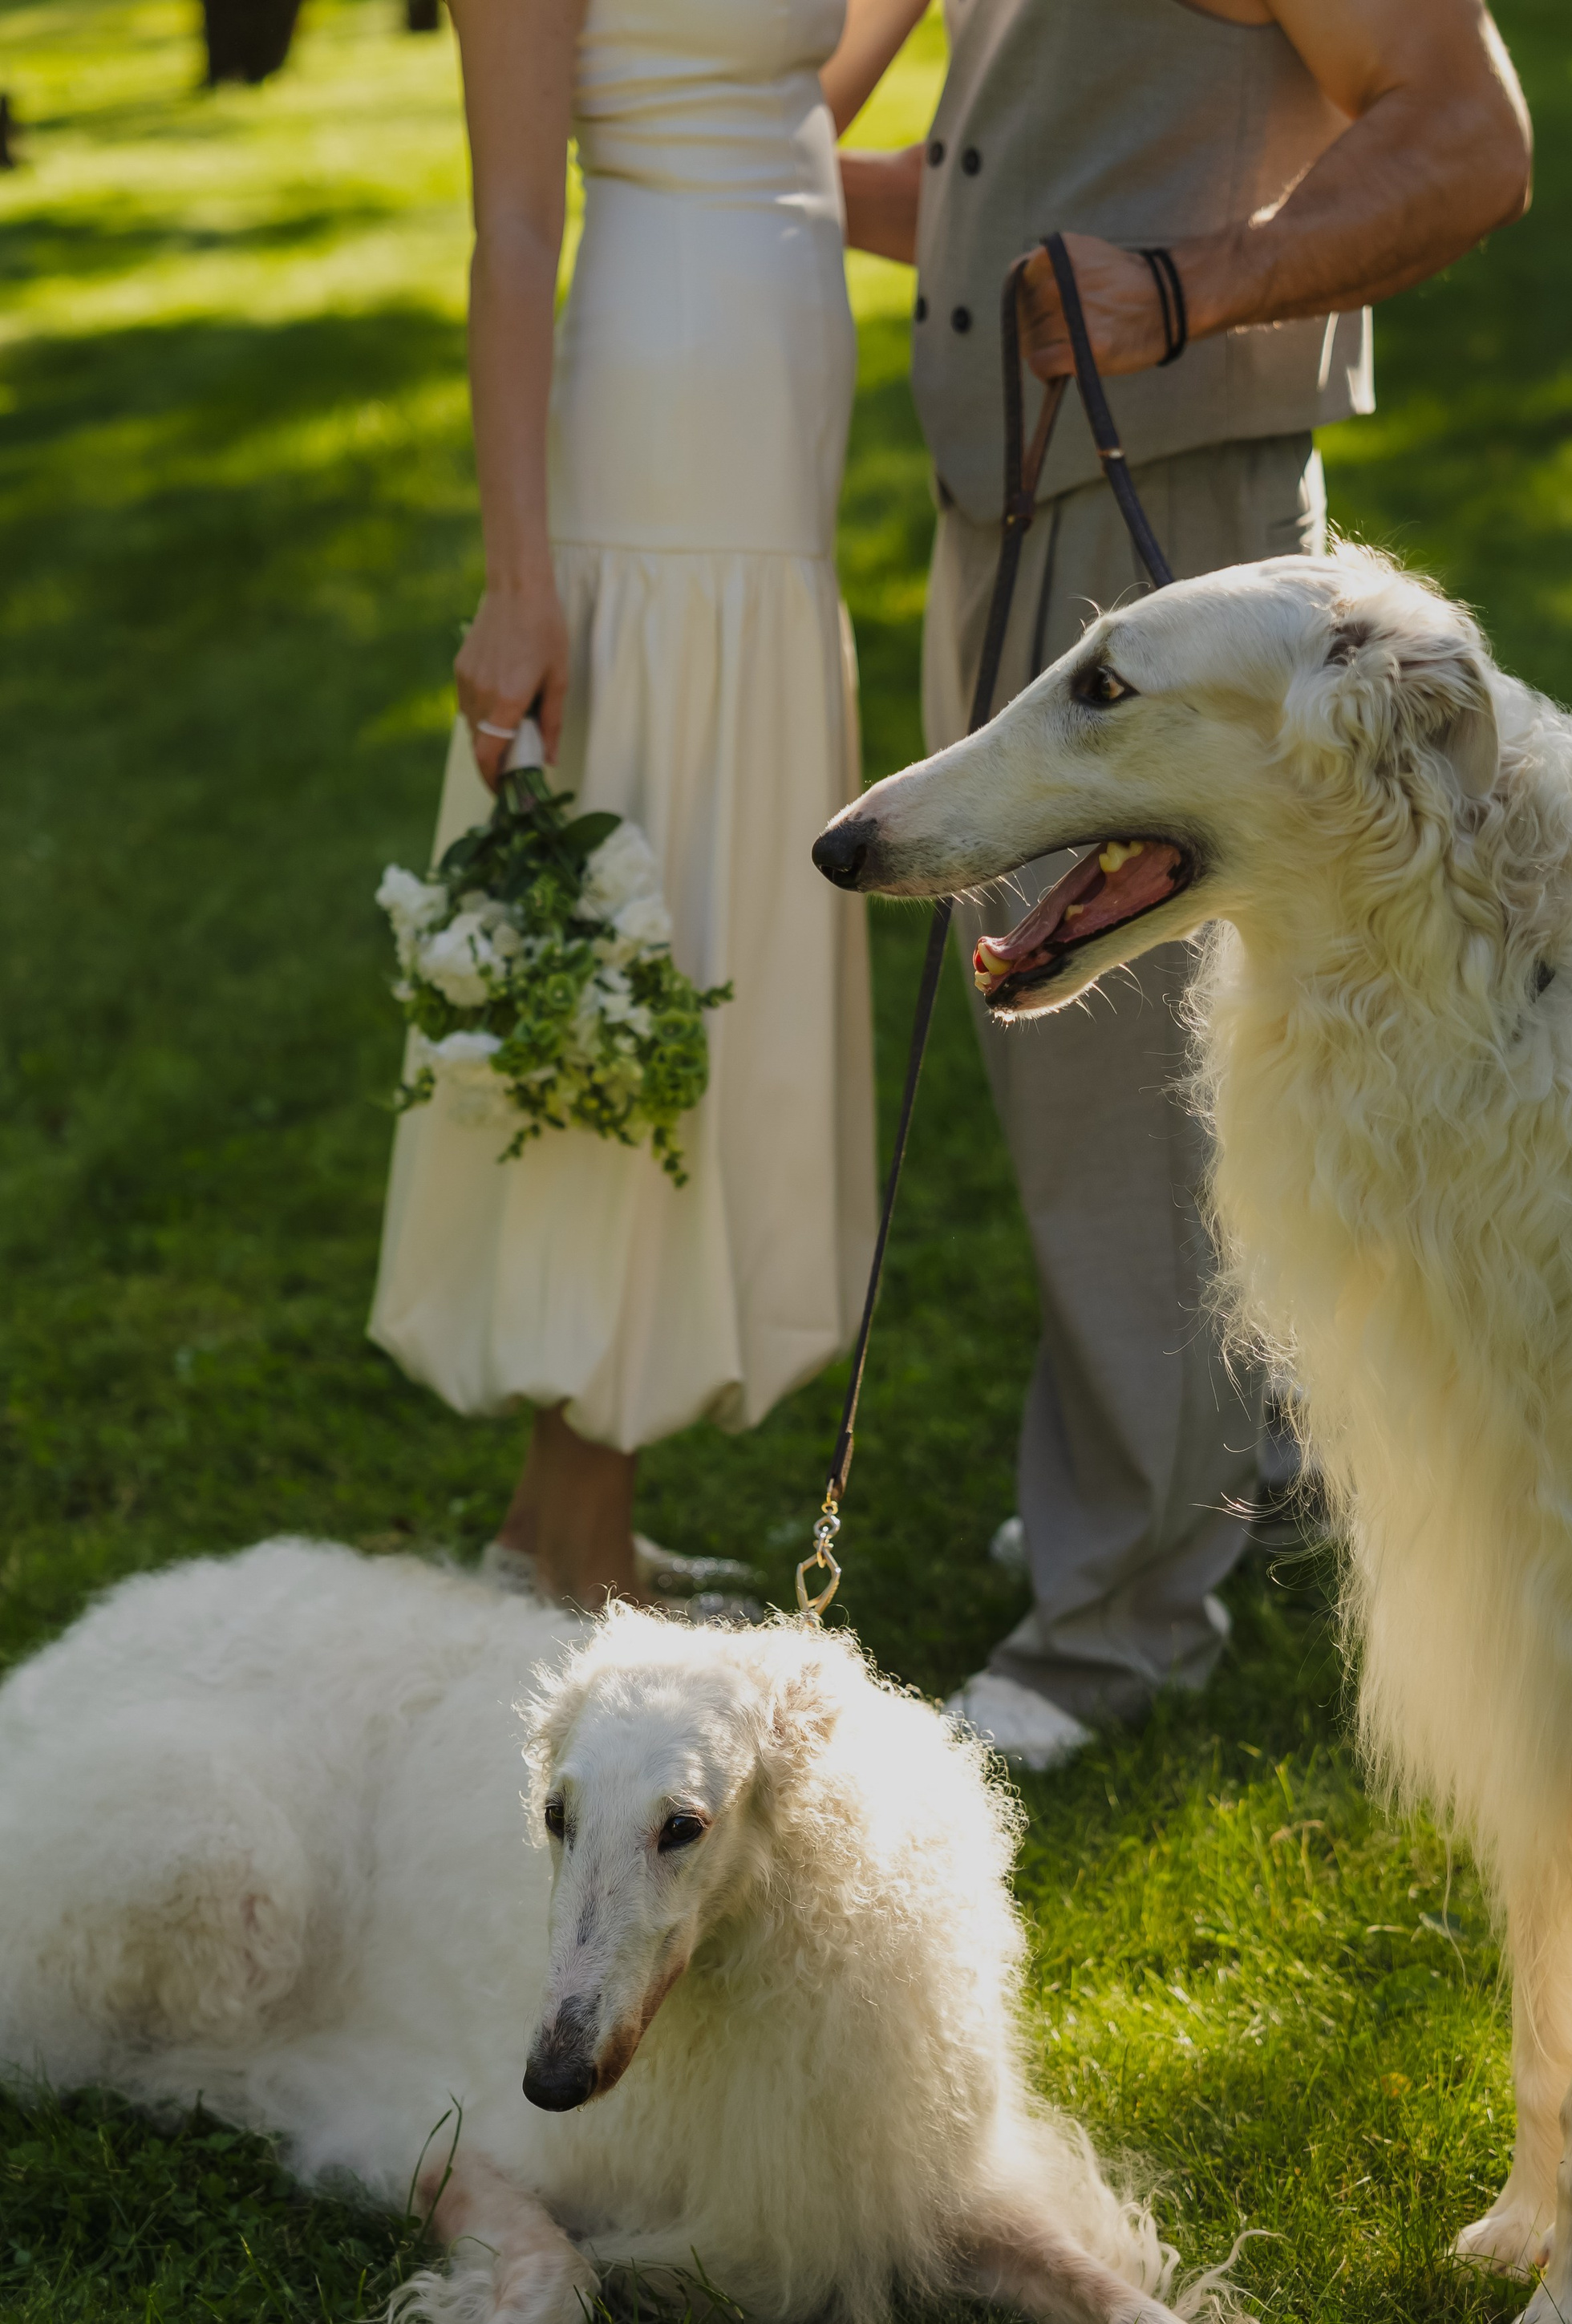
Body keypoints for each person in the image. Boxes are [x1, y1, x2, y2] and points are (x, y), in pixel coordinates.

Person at [842, 0, 1531, 1766]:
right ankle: (1219, 1472)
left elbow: (1466, 139)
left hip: (1157, 515)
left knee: (1118, 1089)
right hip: (1014, 497)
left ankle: (1121, 1619)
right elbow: (1011, 174)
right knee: (1069, 1056)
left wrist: (1191, 287)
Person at [371, 0, 918, 1612]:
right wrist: (521, 584)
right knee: (637, 956)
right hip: (655, 456)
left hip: (765, 440)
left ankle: (553, 1522)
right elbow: (512, 223)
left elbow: (788, 84)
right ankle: (579, 1562)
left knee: (708, 933)